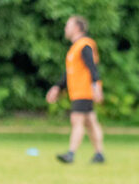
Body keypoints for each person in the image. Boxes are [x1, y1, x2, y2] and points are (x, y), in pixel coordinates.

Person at [45, 15, 105, 164]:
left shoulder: (85, 45)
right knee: (90, 121)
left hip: (84, 91)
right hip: (78, 91)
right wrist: (58, 87)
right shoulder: (74, 48)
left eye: (68, 25)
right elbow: (69, 72)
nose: (65, 28)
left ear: (77, 28)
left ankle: (70, 154)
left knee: (77, 120)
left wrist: (96, 86)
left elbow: (92, 67)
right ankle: (99, 154)